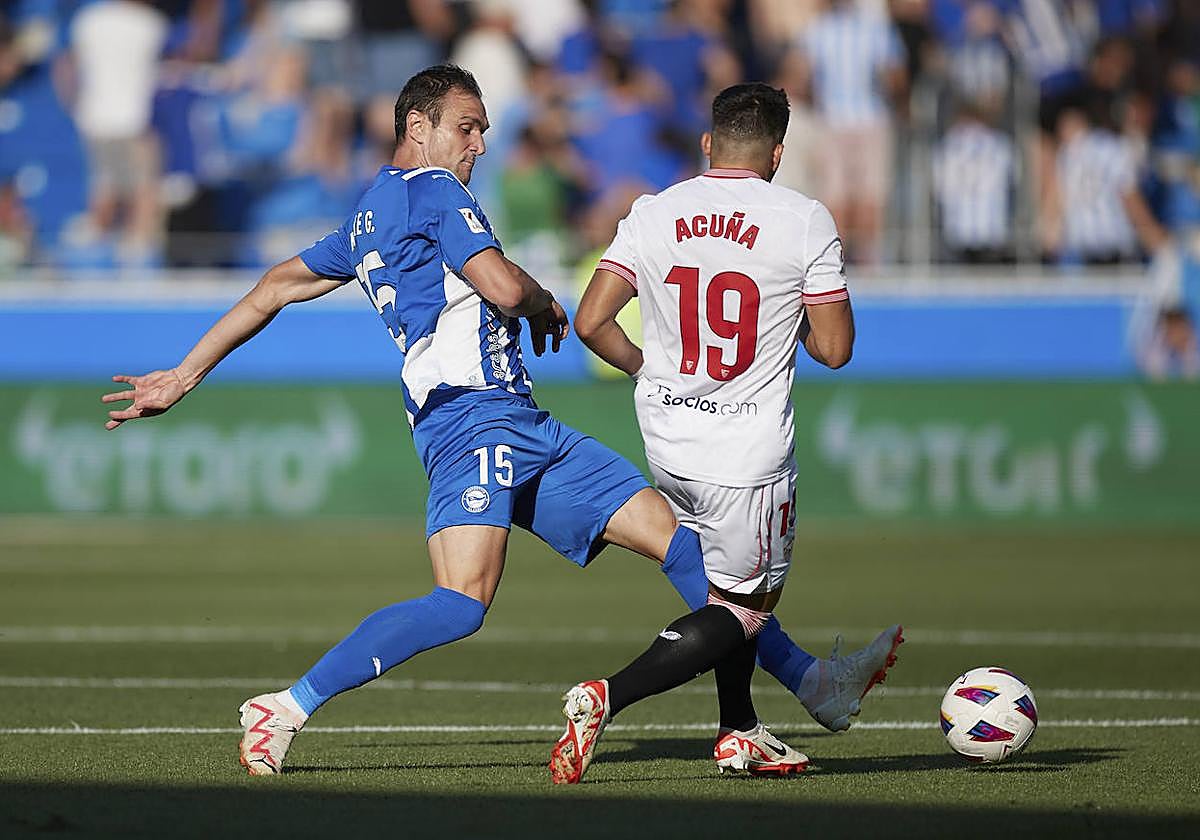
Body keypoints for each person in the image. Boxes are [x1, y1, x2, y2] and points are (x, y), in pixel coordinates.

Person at [101, 65, 892, 777]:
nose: (480, 143)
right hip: (473, 423)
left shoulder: (369, 216)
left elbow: (274, 286)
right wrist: (543, 298)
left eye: (482, 129)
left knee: (679, 540)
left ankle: (811, 684)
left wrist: (184, 373)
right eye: (467, 126)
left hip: (520, 424)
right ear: (420, 127)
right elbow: (505, 290)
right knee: (461, 602)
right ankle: (287, 705)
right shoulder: (439, 192)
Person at [549, 82, 902, 784]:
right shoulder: (802, 220)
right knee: (744, 610)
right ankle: (606, 696)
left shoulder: (654, 211)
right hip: (747, 450)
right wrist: (791, 311)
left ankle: (739, 730)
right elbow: (834, 350)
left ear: (708, 144)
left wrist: (647, 368)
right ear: (777, 153)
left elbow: (589, 321)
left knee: (719, 588)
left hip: (669, 436)